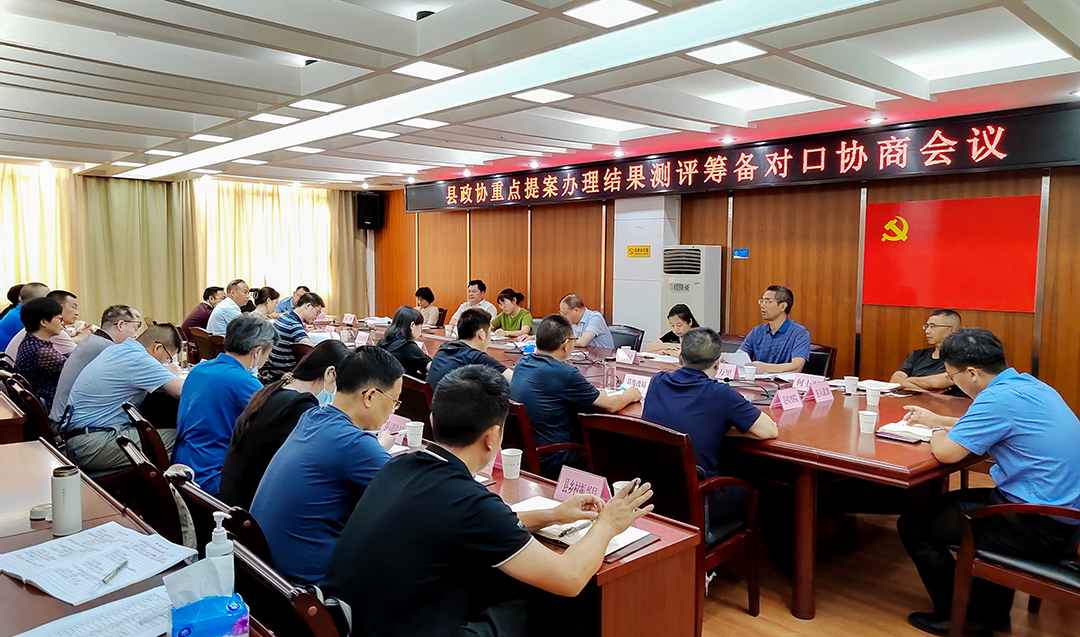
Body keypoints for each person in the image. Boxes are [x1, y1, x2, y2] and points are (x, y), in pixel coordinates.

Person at [322, 364, 655, 637]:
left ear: (433, 420)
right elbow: (569, 577)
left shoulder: (399, 466)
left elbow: (475, 524)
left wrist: (554, 514)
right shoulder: (468, 501)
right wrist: (608, 523)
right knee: (545, 608)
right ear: (493, 436)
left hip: (351, 623)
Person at [897, 328, 1080, 637]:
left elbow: (947, 453)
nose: (953, 382)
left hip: (1038, 523)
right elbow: (997, 423)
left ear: (972, 373)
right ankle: (994, 613)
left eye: (952, 376)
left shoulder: (995, 399)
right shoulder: (1029, 385)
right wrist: (938, 420)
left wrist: (937, 432)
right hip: (1065, 514)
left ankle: (964, 617)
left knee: (914, 526)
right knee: (947, 504)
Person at [250, 346, 401, 585]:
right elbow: (408, 501)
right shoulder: (355, 443)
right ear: (370, 396)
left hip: (264, 573)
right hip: (306, 587)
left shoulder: (311, 417)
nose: (393, 410)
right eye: (394, 402)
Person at [642, 327, 777, 524]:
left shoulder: (658, 381)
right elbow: (769, 431)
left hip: (656, 491)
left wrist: (714, 426)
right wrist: (719, 426)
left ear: (680, 359)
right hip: (700, 498)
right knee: (762, 489)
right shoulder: (721, 394)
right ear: (718, 364)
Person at [219, 340, 350, 509]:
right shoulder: (300, 406)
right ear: (331, 373)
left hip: (234, 496)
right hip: (251, 506)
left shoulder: (274, 391)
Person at [510, 314, 641, 478]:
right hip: (554, 458)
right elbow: (611, 405)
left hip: (524, 454)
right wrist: (630, 394)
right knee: (623, 454)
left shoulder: (523, 363)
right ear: (566, 344)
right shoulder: (564, 373)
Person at [173, 316, 277, 495]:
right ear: (258, 351)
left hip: (183, 467)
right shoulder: (244, 381)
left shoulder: (199, 369)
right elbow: (276, 425)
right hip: (212, 477)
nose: (267, 359)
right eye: (269, 353)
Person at [63, 324, 184, 477]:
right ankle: (176, 488)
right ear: (157, 348)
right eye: (167, 358)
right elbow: (183, 391)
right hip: (94, 444)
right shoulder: (139, 359)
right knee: (184, 438)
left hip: (82, 440)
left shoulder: (117, 350)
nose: (164, 362)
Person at [50, 305, 143, 426]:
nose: (136, 335)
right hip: (69, 423)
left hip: (64, 417)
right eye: (135, 328)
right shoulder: (107, 348)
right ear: (120, 325)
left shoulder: (94, 340)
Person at [427, 308, 510, 389]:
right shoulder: (476, 357)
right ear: (481, 334)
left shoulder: (444, 347)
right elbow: (513, 380)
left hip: (433, 397)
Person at [890, 309, 965, 397]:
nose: (927, 331)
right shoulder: (917, 355)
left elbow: (939, 382)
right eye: (926, 326)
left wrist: (908, 380)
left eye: (933, 326)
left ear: (951, 330)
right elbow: (895, 380)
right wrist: (927, 393)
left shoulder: (961, 358)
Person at [737, 285, 810, 373]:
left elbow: (797, 366)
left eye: (767, 301)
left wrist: (765, 368)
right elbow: (739, 356)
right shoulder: (757, 332)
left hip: (783, 381)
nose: (762, 305)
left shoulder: (800, 333)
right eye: (762, 301)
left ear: (782, 306)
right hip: (758, 380)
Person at [13, 297, 68, 413]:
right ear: (43, 322)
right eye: (59, 319)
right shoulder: (41, 351)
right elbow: (75, 371)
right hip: (52, 407)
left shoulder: (30, 341)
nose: (62, 323)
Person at [6, 290, 93, 359]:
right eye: (73, 307)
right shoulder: (42, 346)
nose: (77, 313)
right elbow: (78, 359)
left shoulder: (33, 336)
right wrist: (83, 337)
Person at [265, 292, 324, 372]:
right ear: (308, 306)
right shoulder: (294, 325)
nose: (316, 317)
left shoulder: (283, 317)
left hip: (272, 368)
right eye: (317, 312)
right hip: (283, 373)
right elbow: (311, 351)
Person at [377, 306, 430, 379]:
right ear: (412, 326)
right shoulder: (408, 346)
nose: (420, 331)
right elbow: (429, 366)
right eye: (420, 327)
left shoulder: (382, 341)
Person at [0, 282, 49, 351]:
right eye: (47, 299)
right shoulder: (21, 316)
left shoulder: (19, 310)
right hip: (5, 355)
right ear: (35, 301)